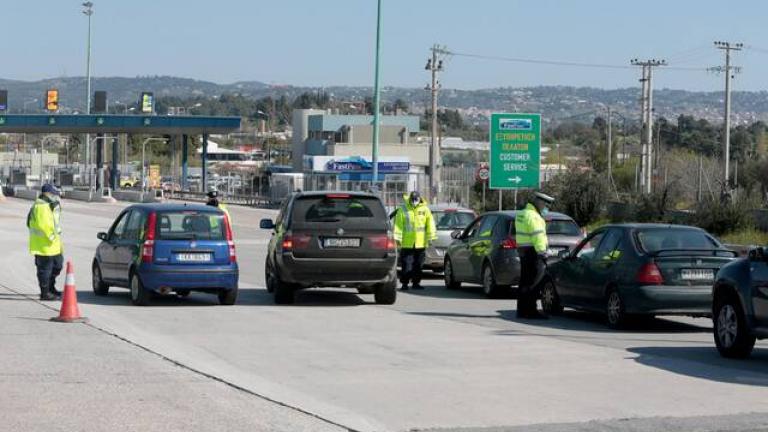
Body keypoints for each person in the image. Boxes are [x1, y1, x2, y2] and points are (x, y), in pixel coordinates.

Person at [515, 191, 555, 319]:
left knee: (524, 282)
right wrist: (542, 253)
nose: (547, 209)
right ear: (540, 203)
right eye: (546, 206)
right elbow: (538, 236)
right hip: (534, 253)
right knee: (534, 282)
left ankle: (522, 310)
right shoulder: (534, 217)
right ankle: (531, 310)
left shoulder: (522, 213)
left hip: (523, 250)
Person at [393, 191, 436, 291]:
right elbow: (398, 225)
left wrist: (431, 238)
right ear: (409, 199)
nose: (414, 202)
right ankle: (404, 284)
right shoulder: (403, 209)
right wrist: (397, 238)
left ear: (419, 199)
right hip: (407, 244)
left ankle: (416, 283)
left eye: (415, 200)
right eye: (412, 200)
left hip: (420, 243)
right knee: (406, 265)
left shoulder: (425, 209)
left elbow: (430, 224)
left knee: (418, 265)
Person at [27, 184, 63, 301]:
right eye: (53, 194)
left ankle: (51, 288)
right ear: (47, 194)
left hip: (54, 246)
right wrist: (52, 238)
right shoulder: (41, 207)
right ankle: (45, 293)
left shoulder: (49, 205)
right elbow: (45, 226)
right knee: (45, 270)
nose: (55, 197)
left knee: (57, 266)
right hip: (44, 246)